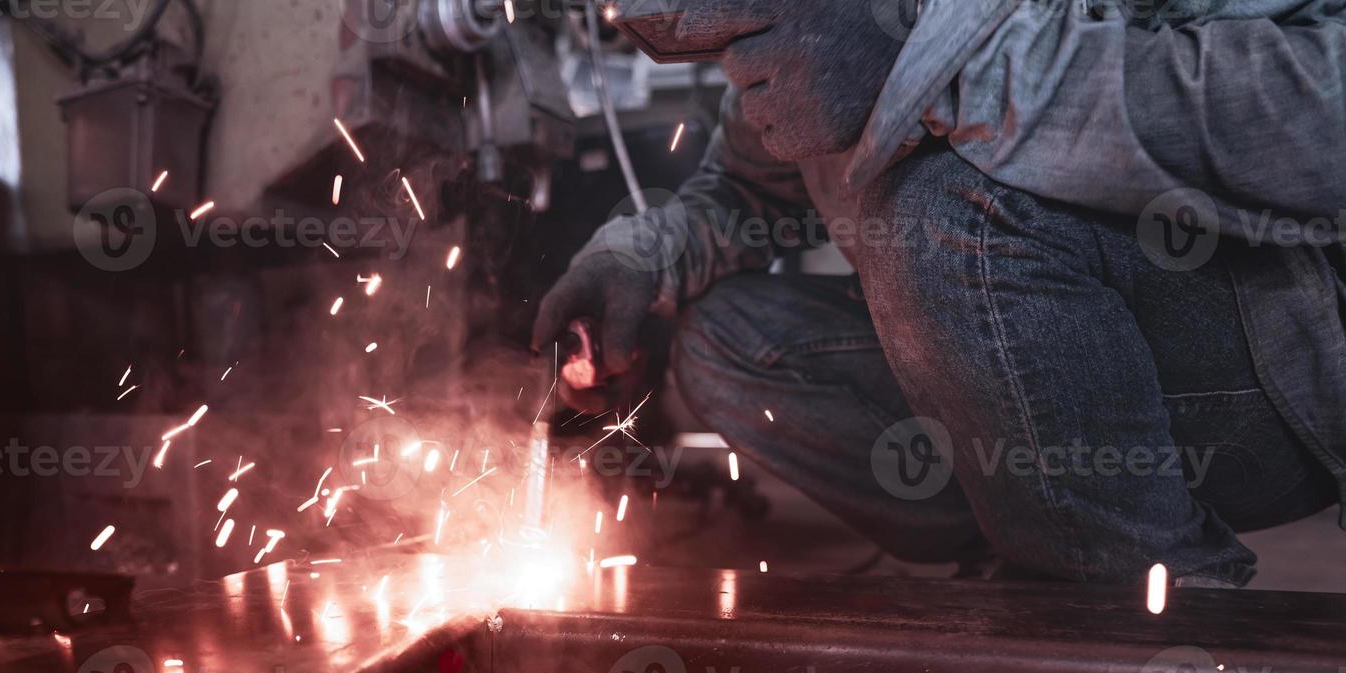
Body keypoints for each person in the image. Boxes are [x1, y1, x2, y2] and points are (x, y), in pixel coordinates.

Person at [535, 0, 1346, 586]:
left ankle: (1154, 609)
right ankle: (1036, 542)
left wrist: (936, 66)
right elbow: (745, 195)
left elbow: (1318, 113)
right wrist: (634, 259)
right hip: (1032, 398)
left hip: (1275, 377)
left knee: (943, 208)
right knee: (726, 338)